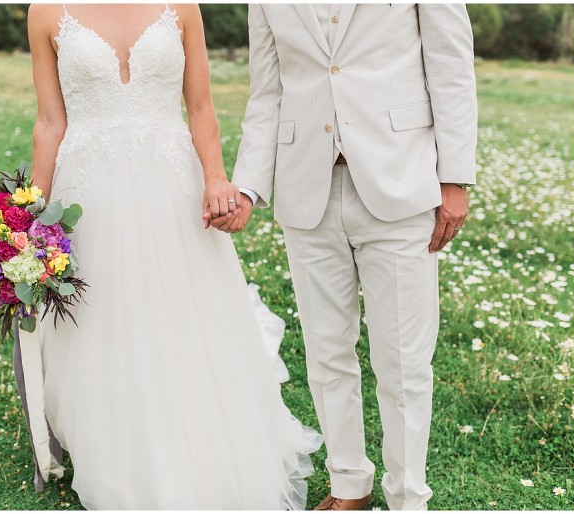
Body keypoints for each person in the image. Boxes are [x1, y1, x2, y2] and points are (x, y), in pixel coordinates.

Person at [20, 3, 321, 509]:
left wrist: (216, 178)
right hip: (88, 192)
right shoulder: (46, 11)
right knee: (102, 319)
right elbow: (50, 121)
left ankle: (194, 436)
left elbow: (200, 106)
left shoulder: (182, 6)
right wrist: (27, 216)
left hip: (172, 183)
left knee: (182, 316)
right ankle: (116, 446)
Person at [208, 4, 477, 510]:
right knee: (327, 354)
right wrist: (246, 187)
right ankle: (349, 484)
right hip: (306, 186)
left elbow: (452, 68)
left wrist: (455, 178)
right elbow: (267, 94)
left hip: (401, 183)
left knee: (403, 361)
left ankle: (407, 496)